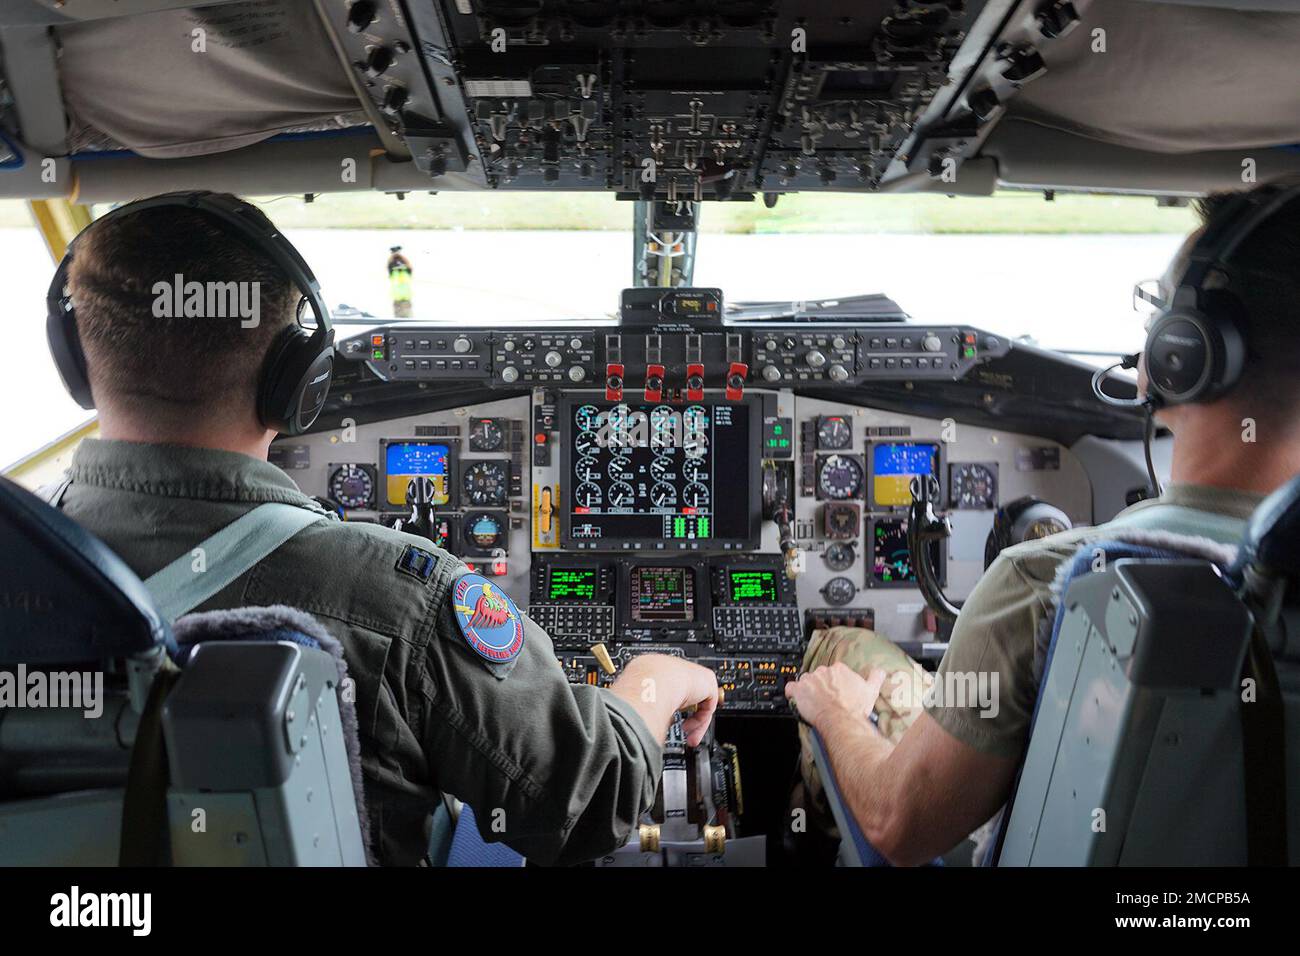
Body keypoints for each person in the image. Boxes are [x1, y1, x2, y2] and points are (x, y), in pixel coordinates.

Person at [46, 193, 719, 866]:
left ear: (76, 361)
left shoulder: (21, 561)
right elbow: (585, 800)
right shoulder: (400, 601)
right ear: (294, 380)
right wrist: (651, 682)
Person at [785, 179, 1300, 866]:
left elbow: (899, 827)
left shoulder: (1051, 581)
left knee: (845, 655)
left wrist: (835, 713)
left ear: (1184, 353)